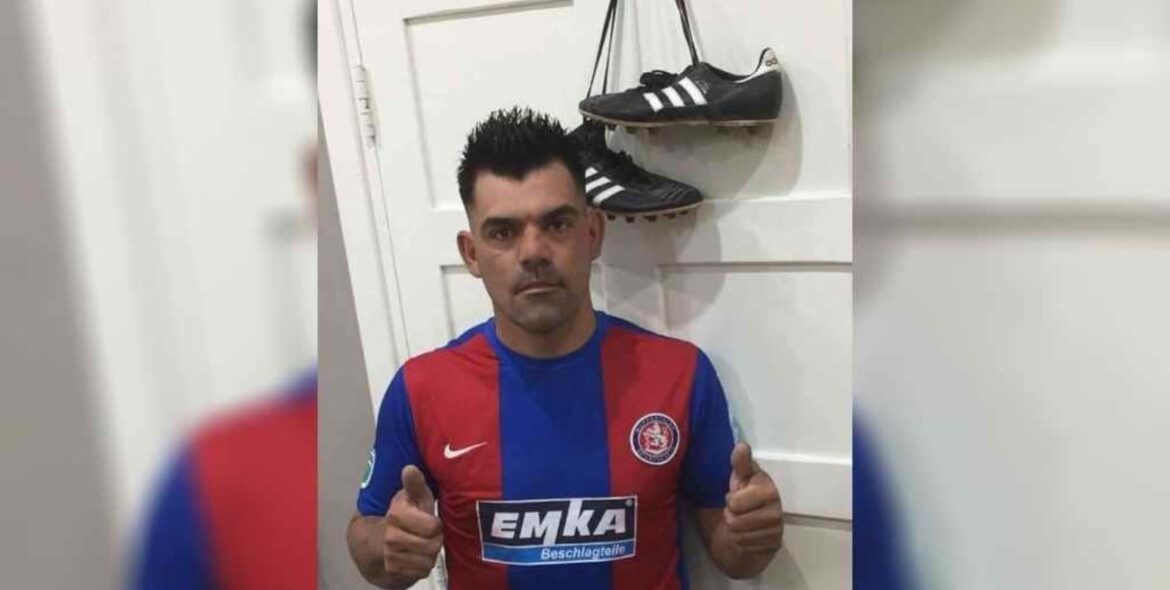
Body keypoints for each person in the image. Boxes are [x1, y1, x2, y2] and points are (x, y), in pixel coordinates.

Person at [347, 107, 784, 589]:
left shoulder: (680, 375)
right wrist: (389, 545)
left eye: (556, 224)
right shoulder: (421, 389)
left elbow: (735, 558)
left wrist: (753, 533)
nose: (533, 251)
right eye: (503, 232)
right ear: (471, 254)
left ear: (592, 234)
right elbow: (367, 540)